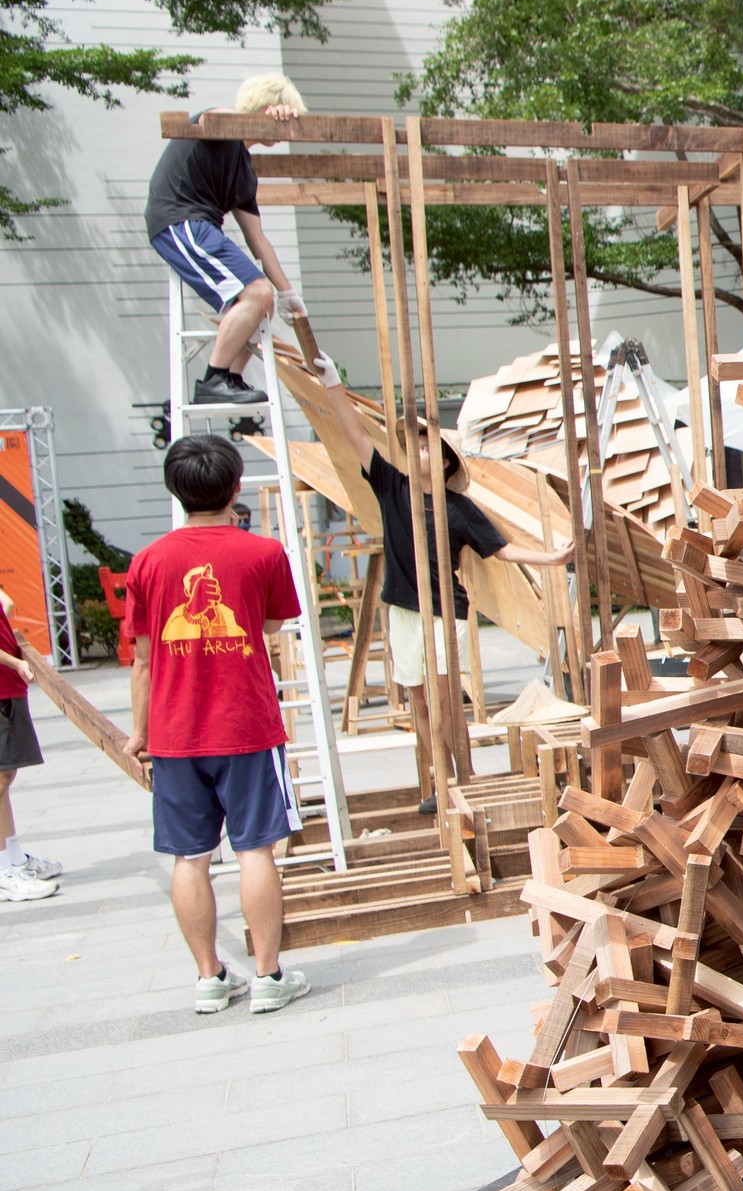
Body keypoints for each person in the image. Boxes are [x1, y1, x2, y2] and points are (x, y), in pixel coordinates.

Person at [310, 356, 572, 810]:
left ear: (444, 459)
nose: (417, 453)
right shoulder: (392, 487)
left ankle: (464, 779)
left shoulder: (459, 508)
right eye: (412, 446)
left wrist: (550, 559)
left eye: (425, 446)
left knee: (448, 702)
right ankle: (443, 782)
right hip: (403, 610)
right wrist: (333, 382)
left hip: (444, 611)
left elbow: (501, 549)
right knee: (419, 702)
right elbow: (356, 435)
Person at [125, 435, 310, 1016]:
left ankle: (209, 978)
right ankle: (268, 976)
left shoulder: (148, 562)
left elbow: (142, 660)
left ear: (175, 491)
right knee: (256, 851)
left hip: (174, 734)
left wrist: (139, 733)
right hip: (246, 727)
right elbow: (274, 624)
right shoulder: (264, 554)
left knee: (190, 858)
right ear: (235, 487)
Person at [147, 74, 308, 409]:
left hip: (203, 226)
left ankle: (230, 377)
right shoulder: (221, 129)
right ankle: (213, 380)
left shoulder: (244, 170)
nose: (286, 130)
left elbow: (257, 239)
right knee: (256, 293)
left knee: (263, 300)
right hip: (180, 220)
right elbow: (211, 117)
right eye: (285, 118)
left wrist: (287, 293)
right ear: (268, 109)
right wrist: (257, 120)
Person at [0, 585, 61, 900]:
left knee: (5, 777)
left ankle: (15, 859)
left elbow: (6, 604)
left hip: (8, 690)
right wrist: (15, 662)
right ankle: (3, 872)